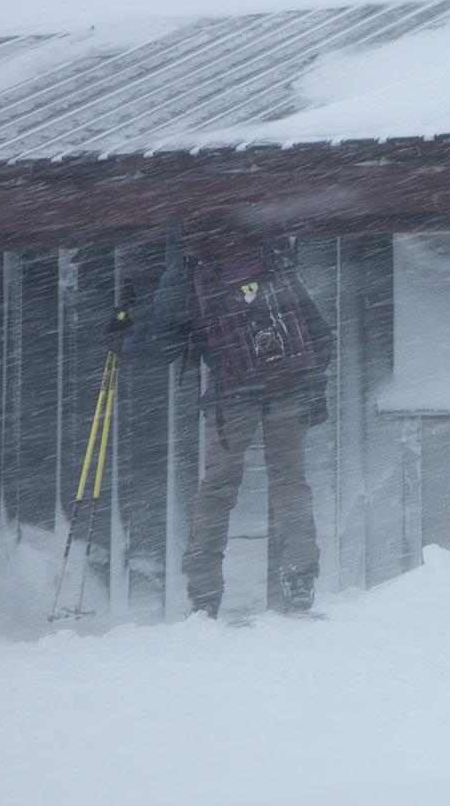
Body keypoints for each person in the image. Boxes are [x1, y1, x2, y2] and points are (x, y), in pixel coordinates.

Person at [119, 222, 333, 617]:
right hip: (288, 387)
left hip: (230, 396)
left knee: (217, 490)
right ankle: (300, 578)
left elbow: (158, 345)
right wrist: (314, 386)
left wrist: (119, 331)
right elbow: (318, 331)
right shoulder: (271, 252)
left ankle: (204, 593)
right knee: (289, 482)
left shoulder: (189, 263)